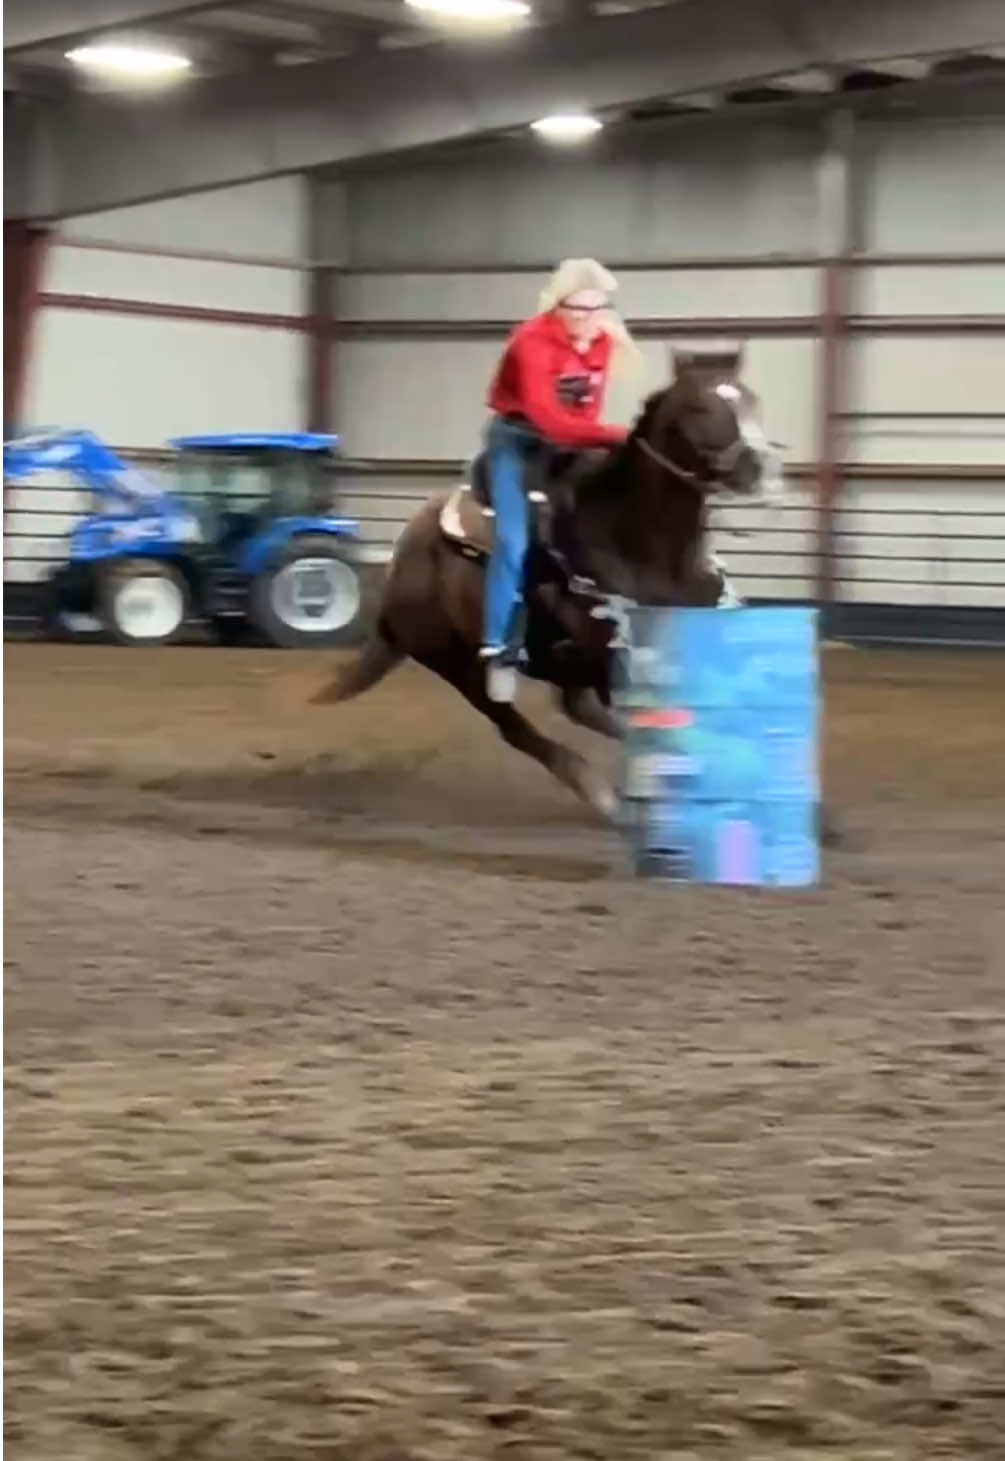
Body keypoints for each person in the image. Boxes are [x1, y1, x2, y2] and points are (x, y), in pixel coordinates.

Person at [479, 258, 641, 702]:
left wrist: (605, 442)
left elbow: (585, 412)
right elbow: (549, 419)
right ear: (558, 304)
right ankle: (498, 649)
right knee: (513, 541)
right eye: (577, 309)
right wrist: (619, 436)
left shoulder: (602, 342)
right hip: (516, 440)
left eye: (595, 309)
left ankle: (615, 623)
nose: (586, 319)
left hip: (569, 440)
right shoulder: (530, 341)